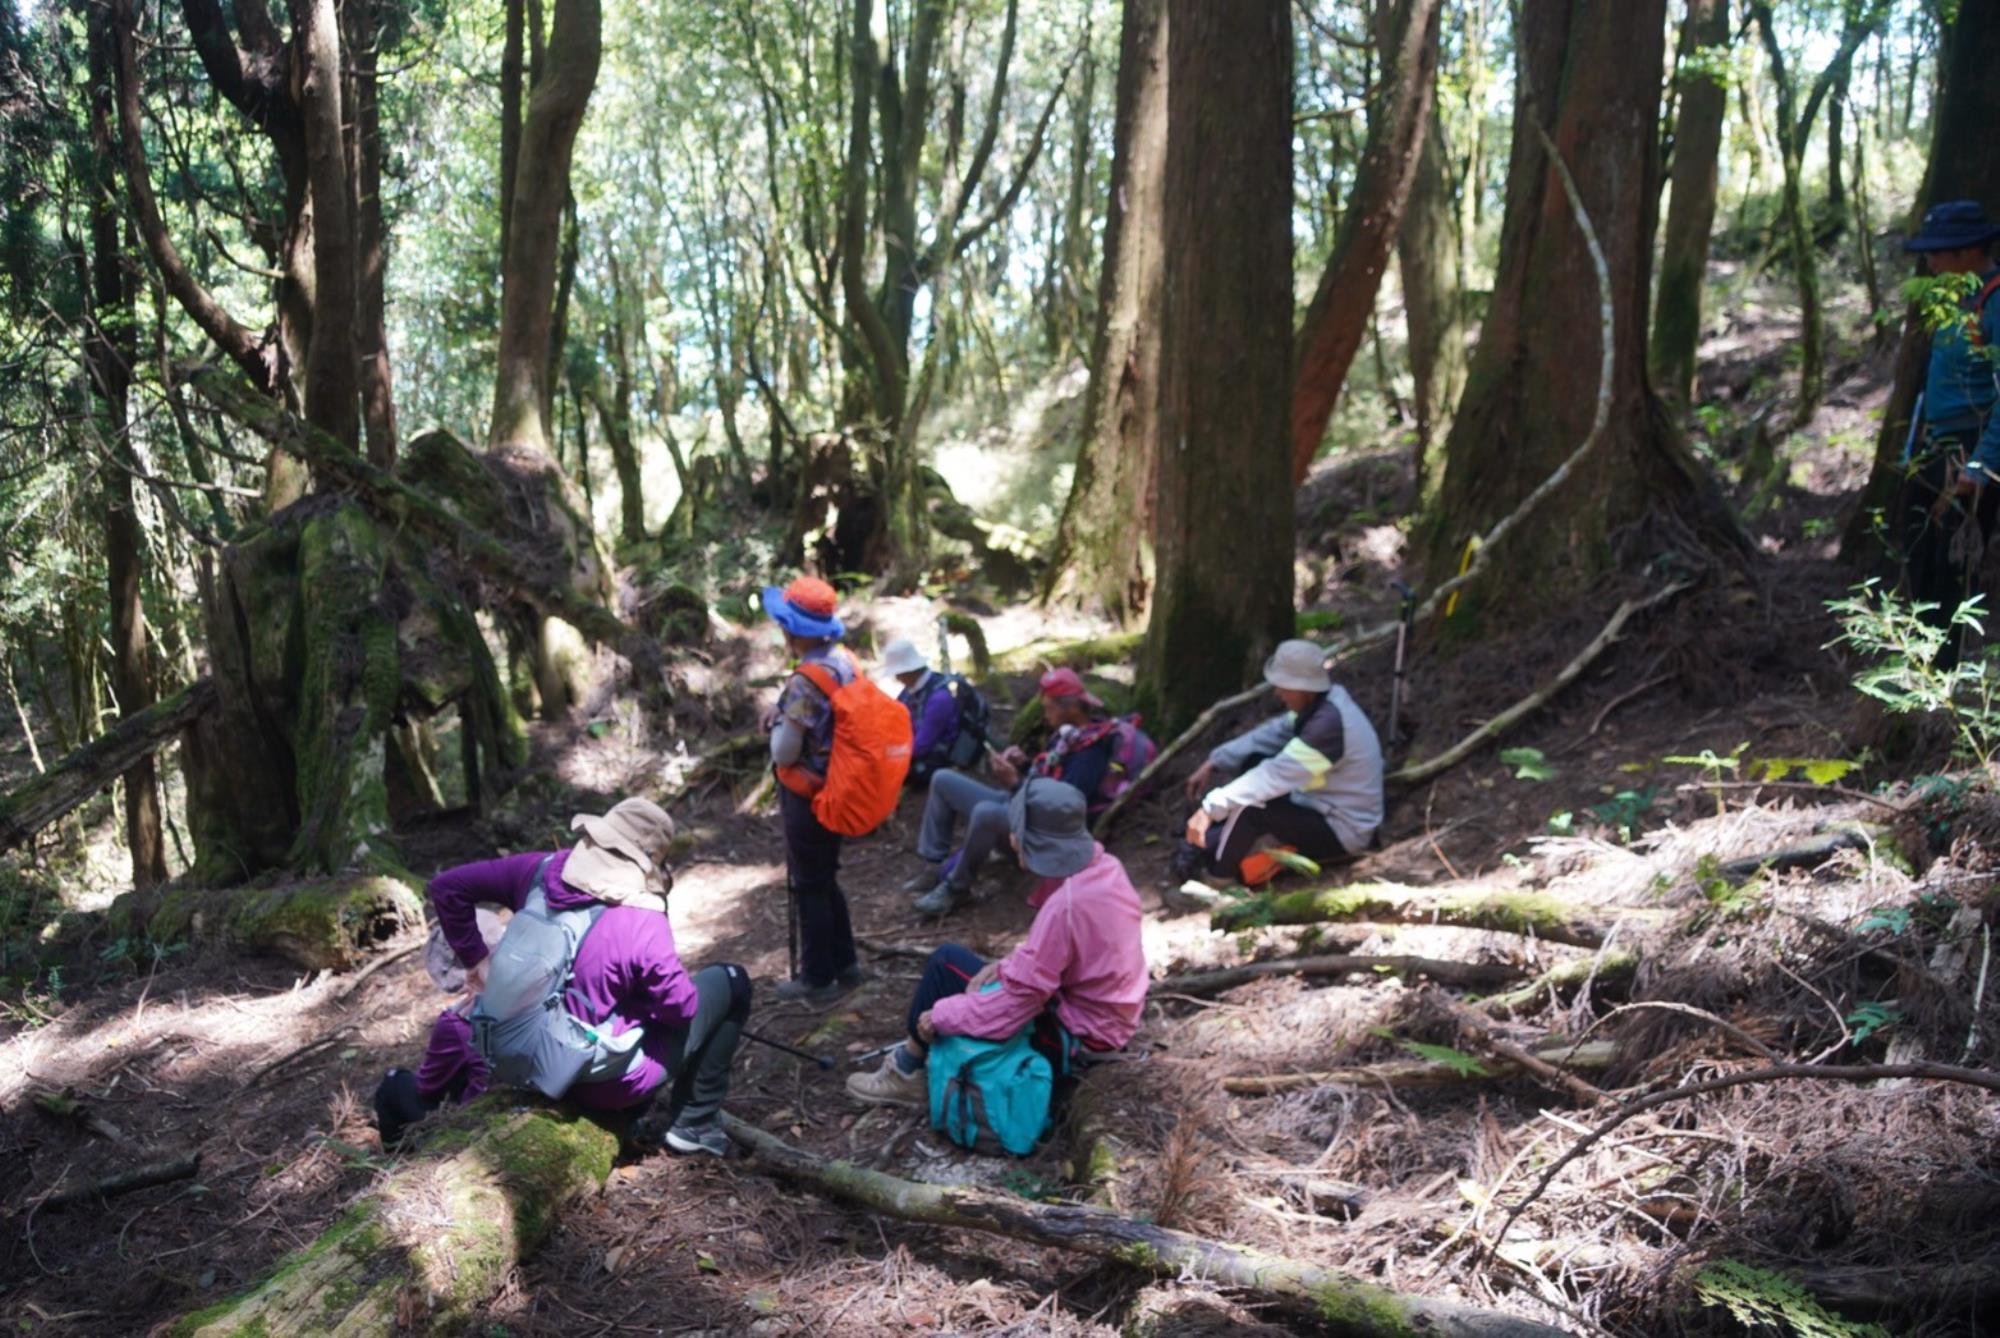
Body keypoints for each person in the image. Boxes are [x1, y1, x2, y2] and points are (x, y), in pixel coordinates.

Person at [373, 799, 749, 1158]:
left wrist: (477, 960)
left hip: (519, 1062)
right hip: (598, 1086)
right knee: (731, 981)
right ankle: (695, 1125)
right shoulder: (642, 918)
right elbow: (680, 1009)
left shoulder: (541, 870)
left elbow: (447, 887)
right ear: (650, 863)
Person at [847, 778, 1148, 1107]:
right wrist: (1008, 966)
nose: (1011, 837)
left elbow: (1021, 1002)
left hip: (1079, 1038)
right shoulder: (1106, 869)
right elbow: (1069, 957)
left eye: (1016, 830)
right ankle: (914, 1061)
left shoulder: (1066, 905)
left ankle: (906, 1072)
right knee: (961, 968)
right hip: (1110, 1023)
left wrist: (942, 1014)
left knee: (945, 965)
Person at [905, 667, 1125, 915]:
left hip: (1043, 831)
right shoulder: (1069, 737)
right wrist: (1025, 765)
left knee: (986, 813)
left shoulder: (1089, 752)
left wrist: (1015, 783)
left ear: (1072, 708)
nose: (1045, 715)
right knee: (943, 779)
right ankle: (933, 866)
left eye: (1049, 708)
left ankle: (956, 889)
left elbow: (1061, 810)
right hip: (1023, 805)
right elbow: (1049, 778)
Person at [1171, 639, 1383, 886]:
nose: (1278, 693)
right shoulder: (1323, 704)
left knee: (1252, 809)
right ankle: (1213, 844)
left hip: (1344, 831)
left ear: (1304, 688)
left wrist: (1209, 809)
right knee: (1253, 763)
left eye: (1284, 686)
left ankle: (1217, 880)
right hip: (1321, 807)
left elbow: (1273, 777)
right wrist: (1216, 760)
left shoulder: (1326, 729)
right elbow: (1271, 734)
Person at [1903, 200, 2000, 665]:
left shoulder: (1995, 302)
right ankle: (1918, 662)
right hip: (1934, 446)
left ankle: (1944, 673)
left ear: (1969, 251)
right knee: (1919, 553)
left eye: (1939, 251)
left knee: (1953, 567)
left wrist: (1981, 463)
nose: (1931, 260)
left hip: (1971, 447)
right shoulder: (1949, 300)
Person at [763, 575, 866, 1005]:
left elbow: (785, 753)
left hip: (809, 796)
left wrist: (775, 726)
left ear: (794, 631)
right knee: (825, 877)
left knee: (809, 884)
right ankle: (846, 963)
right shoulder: (845, 662)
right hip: (841, 786)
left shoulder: (805, 681)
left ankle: (817, 978)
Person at [881, 637, 963, 785]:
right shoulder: (909, 691)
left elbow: (921, 746)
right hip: (912, 748)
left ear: (909, 671)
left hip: (934, 758)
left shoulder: (939, 699)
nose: (896, 677)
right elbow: (892, 718)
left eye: (898, 673)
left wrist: (887, 754)